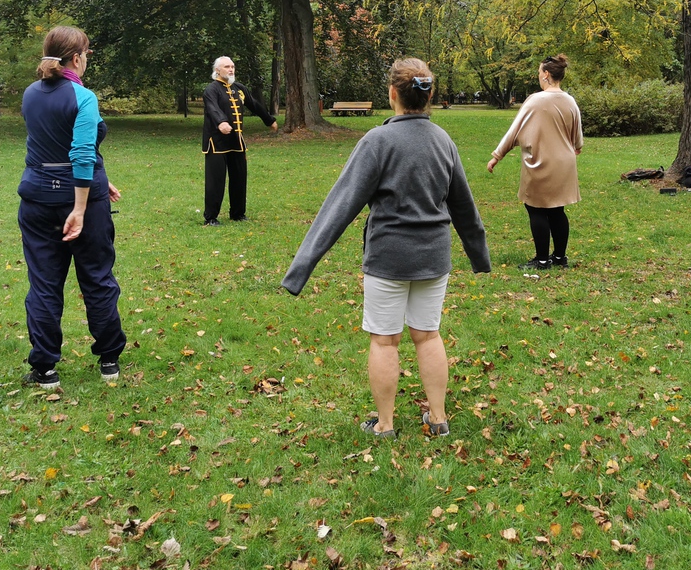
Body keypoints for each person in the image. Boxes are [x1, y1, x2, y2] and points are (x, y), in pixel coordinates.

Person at [282, 58, 491, 440]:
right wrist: (479, 254)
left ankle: (386, 425)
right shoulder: (443, 140)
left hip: (388, 259)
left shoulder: (377, 141)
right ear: (428, 98)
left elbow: (340, 205)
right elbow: (464, 205)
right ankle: (438, 419)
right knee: (428, 335)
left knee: (385, 340)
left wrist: (301, 267)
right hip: (434, 258)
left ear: (393, 94)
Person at [17, 26, 126, 388]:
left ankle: (44, 369)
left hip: (37, 198)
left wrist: (98, 177)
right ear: (77, 58)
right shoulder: (84, 97)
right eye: (87, 54)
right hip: (80, 204)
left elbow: (50, 143)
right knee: (96, 277)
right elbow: (78, 152)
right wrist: (79, 207)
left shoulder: (31, 94)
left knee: (44, 283)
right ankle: (109, 360)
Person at [487, 54, 583, 270]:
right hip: (565, 163)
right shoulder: (570, 100)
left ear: (547, 74)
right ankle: (560, 258)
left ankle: (541, 261)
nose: (539, 76)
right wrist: (576, 146)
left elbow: (515, 131)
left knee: (536, 209)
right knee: (557, 210)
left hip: (540, 161)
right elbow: (577, 136)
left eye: (540, 73)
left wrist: (497, 155)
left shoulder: (535, 100)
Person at [202, 56, 278, 224]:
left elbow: (255, 105)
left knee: (239, 178)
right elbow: (212, 108)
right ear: (217, 70)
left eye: (232, 66)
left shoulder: (239, 88)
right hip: (216, 143)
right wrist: (221, 121)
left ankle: (237, 213)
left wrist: (269, 120)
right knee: (216, 181)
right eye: (227, 67)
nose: (231, 69)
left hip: (236, 142)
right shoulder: (211, 90)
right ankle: (211, 217)